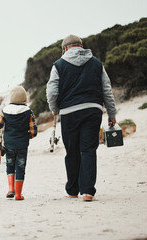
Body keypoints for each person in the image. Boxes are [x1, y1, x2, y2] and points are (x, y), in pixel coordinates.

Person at [46, 34, 117, 201]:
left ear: (65, 48)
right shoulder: (96, 63)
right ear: (81, 46)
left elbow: (51, 92)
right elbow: (107, 90)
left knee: (72, 151)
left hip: (69, 112)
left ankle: (72, 189)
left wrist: (55, 109)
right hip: (92, 110)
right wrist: (112, 114)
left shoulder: (58, 65)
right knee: (88, 150)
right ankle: (87, 191)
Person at [0, 86, 37, 200]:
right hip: (22, 145)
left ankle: (11, 189)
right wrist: (26, 136)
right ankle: (18, 194)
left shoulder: (5, 111)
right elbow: (33, 131)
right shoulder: (28, 112)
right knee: (20, 167)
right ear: (24, 98)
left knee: (10, 166)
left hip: (9, 145)